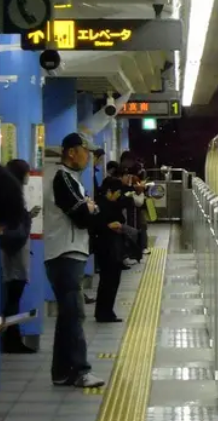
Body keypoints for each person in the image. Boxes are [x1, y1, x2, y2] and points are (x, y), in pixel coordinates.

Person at [44, 132, 107, 388]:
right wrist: (89, 209)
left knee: (67, 316)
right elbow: (83, 216)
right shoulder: (63, 178)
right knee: (75, 314)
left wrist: (90, 209)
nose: (89, 156)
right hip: (64, 253)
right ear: (72, 152)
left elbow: (91, 210)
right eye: (85, 150)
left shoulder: (72, 180)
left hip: (68, 252)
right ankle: (81, 371)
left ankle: (61, 372)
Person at [92, 168, 139, 323]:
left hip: (110, 247)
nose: (118, 195)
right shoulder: (101, 206)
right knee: (109, 281)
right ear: (109, 191)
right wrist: (109, 226)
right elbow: (97, 226)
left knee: (109, 281)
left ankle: (105, 311)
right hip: (107, 248)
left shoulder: (105, 203)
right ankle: (104, 313)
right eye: (116, 192)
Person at [0, 160, 38, 354]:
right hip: (14, 258)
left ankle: (12, 338)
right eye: (26, 173)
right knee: (13, 299)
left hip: (13, 258)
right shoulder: (12, 197)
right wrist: (27, 218)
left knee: (13, 298)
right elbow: (17, 233)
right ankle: (11, 339)